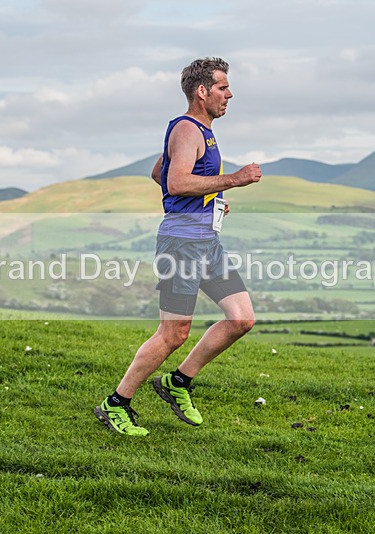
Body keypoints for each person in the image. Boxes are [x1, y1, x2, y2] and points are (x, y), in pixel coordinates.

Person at [94, 57, 262, 436]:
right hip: (182, 244)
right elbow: (176, 182)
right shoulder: (188, 130)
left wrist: (210, 199)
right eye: (222, 87)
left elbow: (161, 173)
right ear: (202, 91)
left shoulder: (200, 130)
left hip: (205, 241)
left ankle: (178, 382)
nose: (229, 94)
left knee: (241, 319)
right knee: (173, 333)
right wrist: (232, 179)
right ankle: (116, 403)